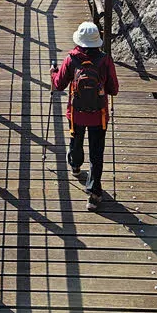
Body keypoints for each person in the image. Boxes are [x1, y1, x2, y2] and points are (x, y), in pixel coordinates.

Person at [51, 21, 119, 208]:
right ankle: (94, 194)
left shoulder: (71, 59)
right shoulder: (105, 60)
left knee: (76, 139)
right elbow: (114, 89)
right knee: (97, 153)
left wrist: (53, 73)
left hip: (76, 112)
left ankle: (75, 165)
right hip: (99, 115)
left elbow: (59, 84)